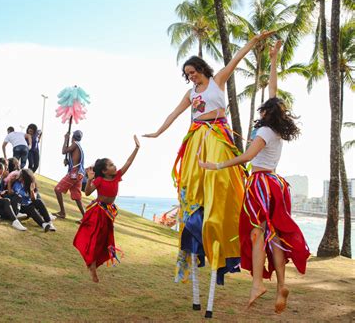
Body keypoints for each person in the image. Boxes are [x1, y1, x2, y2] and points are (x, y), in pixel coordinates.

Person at [143, 31, 275, 316]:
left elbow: (237, 59)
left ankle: (223, 237)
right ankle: (195, 232)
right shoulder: (190, 93)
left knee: (218, 186)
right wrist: (158, 131)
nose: (190, 77)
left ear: (202, 69)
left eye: (192, 72)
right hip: (195, 139)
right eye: (187, 74)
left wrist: (254, 41)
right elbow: (175, 114)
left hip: (216, 138)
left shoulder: (217, 82)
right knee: (192, 190)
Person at [199, 40, 310, 314]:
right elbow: (273, 91)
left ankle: (258, 283)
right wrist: (273, 60)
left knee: (256, 233)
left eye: (263, 108)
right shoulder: (277, 130)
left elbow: (248, 158)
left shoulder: (263, 133)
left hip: (260, 184)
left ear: (265, 113)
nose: (260, 110)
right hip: (276, 185)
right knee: (274, 237)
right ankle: (281, 283)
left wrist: (216, 165)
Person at [73, 135, 140, 283]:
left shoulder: (116, 177)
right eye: (110, 165)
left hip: (109, 213)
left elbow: (128, 162)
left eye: (113, 164)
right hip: (98, 211)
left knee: (105, 241)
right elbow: (88, 192)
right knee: (96, 239)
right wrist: (89, 178)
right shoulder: (99, 180)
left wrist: (136, 148)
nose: (114, 166)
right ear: (103, 171)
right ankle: (92, 266)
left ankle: (94, 265)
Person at [54, 130, 85, 220]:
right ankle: (85, 216)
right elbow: (75, 159)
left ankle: (62, 212)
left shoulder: (75, 144)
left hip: (75, 173)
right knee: (77, 197)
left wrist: (65, 139)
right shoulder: (78, 146)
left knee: (57, 189)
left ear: (73, 137)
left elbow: (64, 151)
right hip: (79, 173)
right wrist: (68, 162)